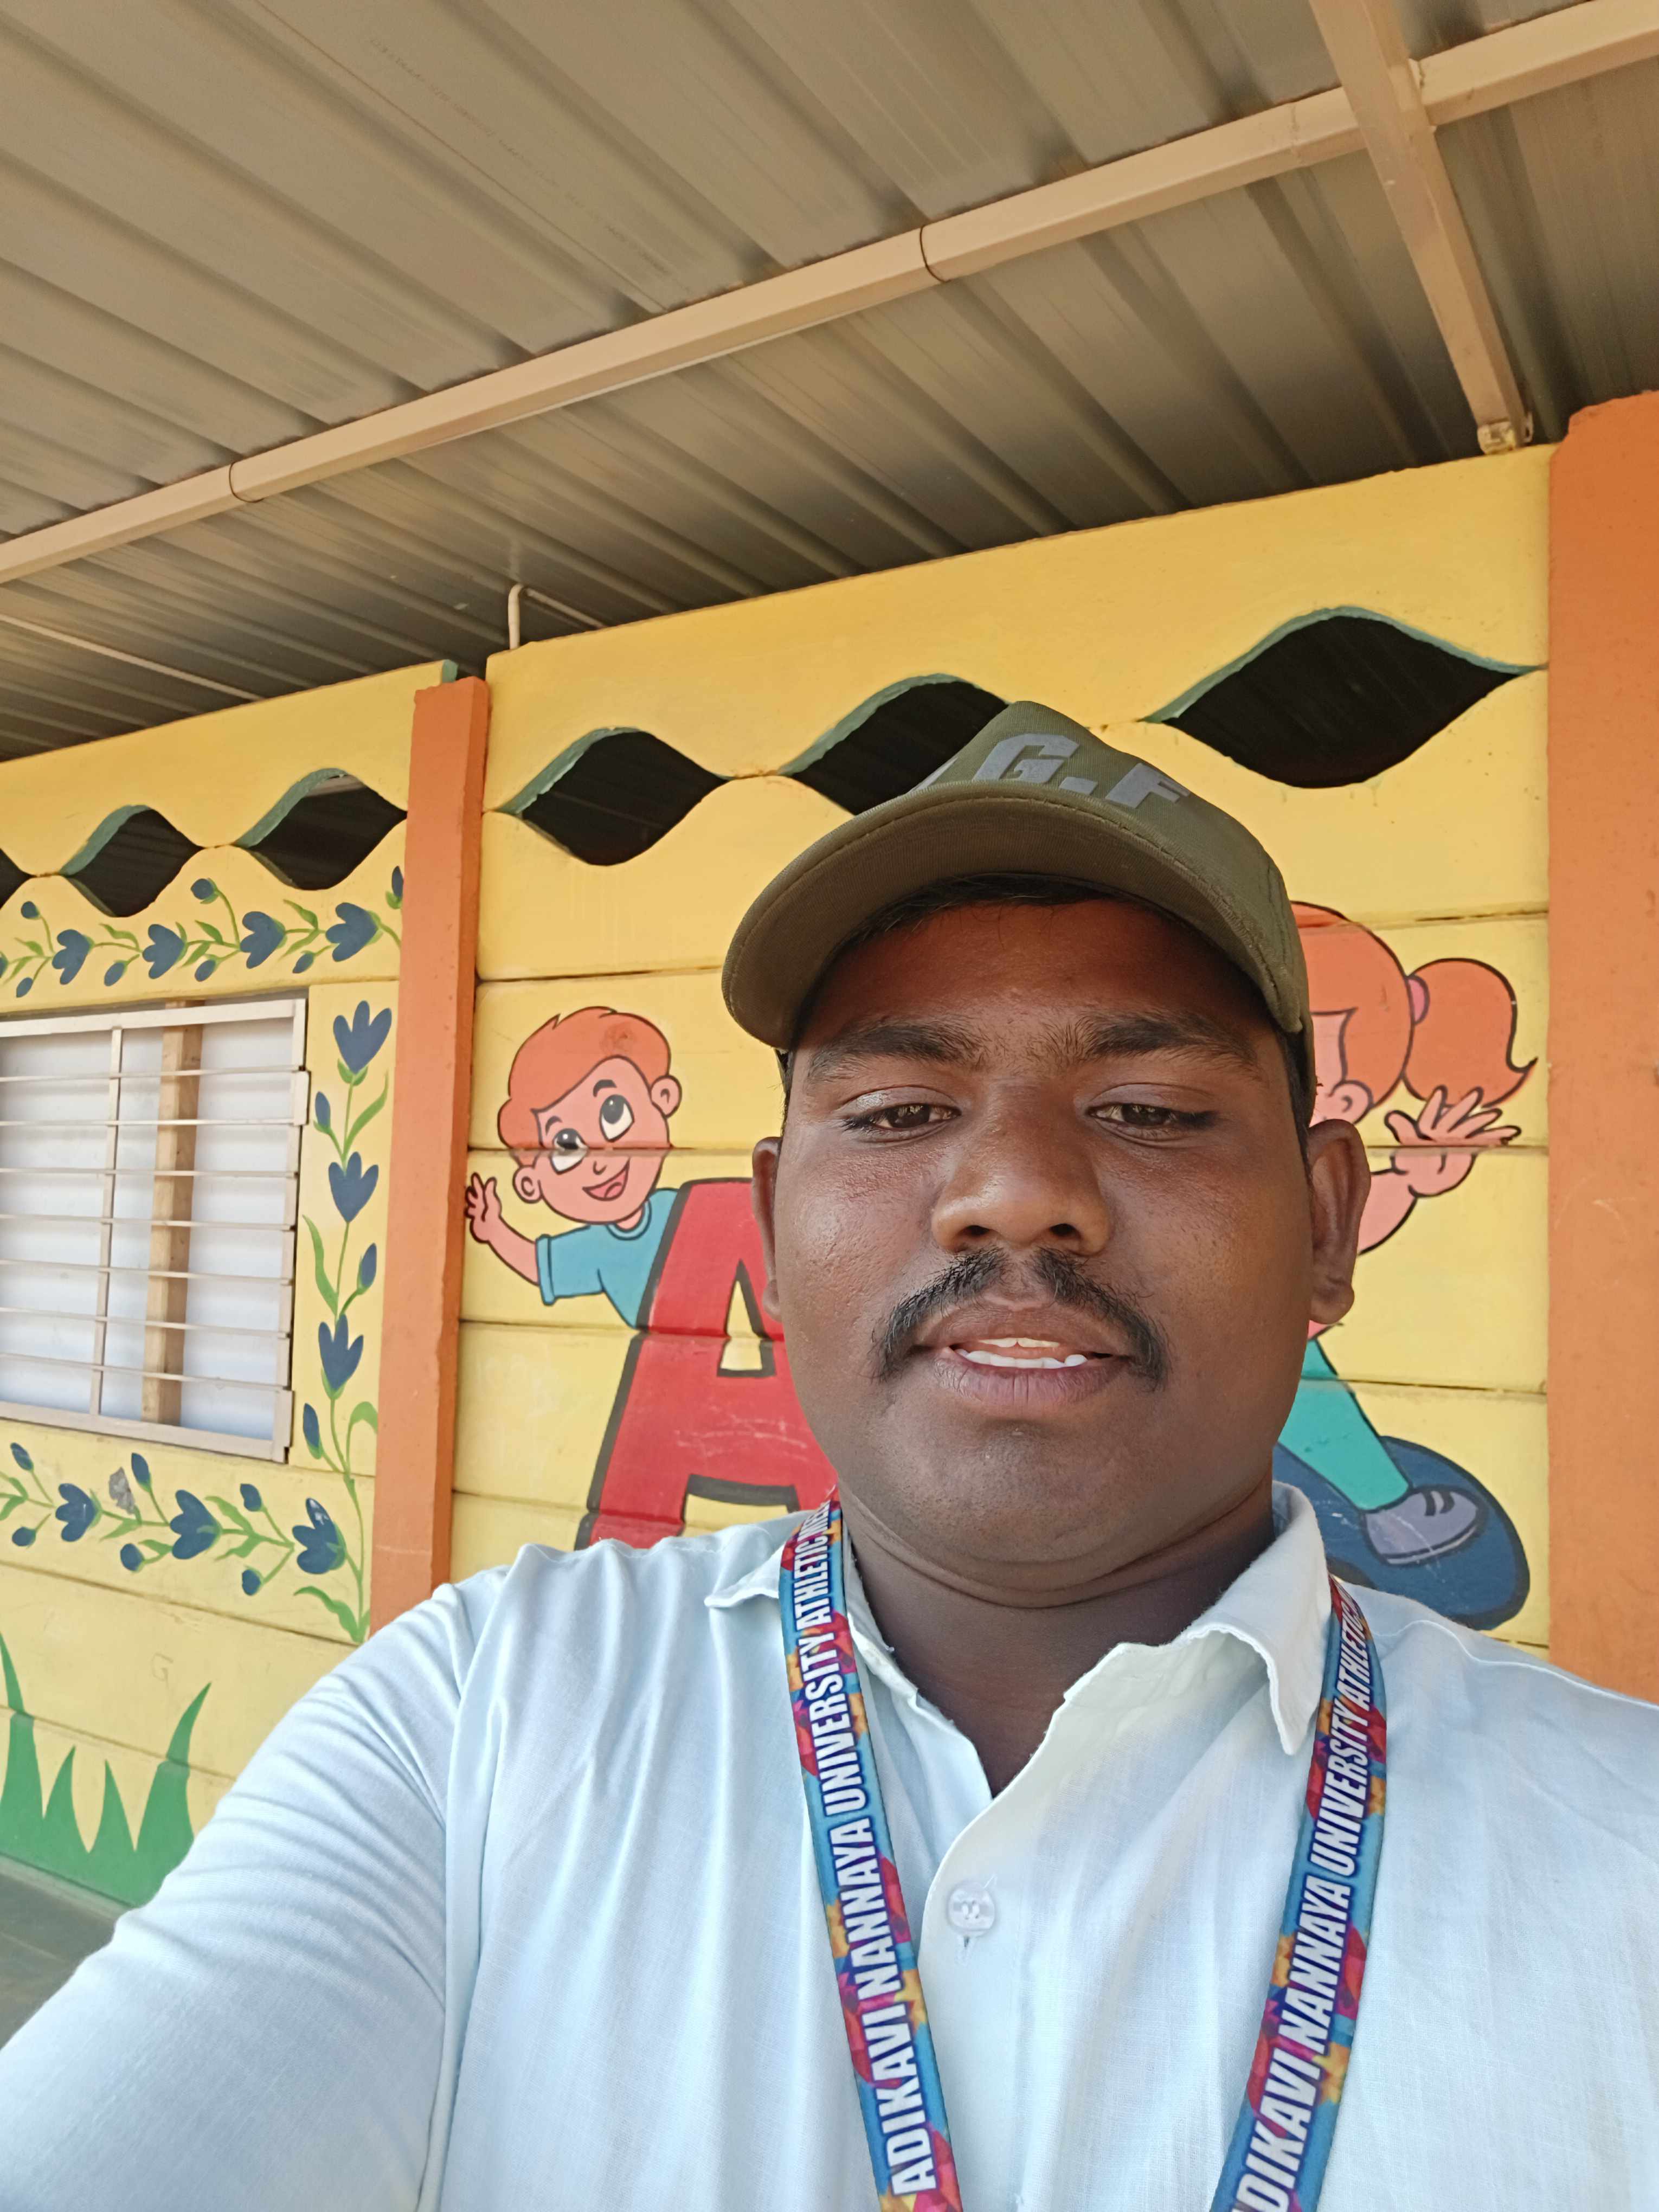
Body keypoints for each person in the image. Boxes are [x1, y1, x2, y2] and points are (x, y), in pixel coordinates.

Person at [2, 702, 1655, 2209]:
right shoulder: (475, 1730)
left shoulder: (1620, 1847)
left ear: (1328, 1226)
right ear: (772, 1229)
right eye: (896, 1113)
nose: (1013, 1191)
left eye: (1149, 1108)